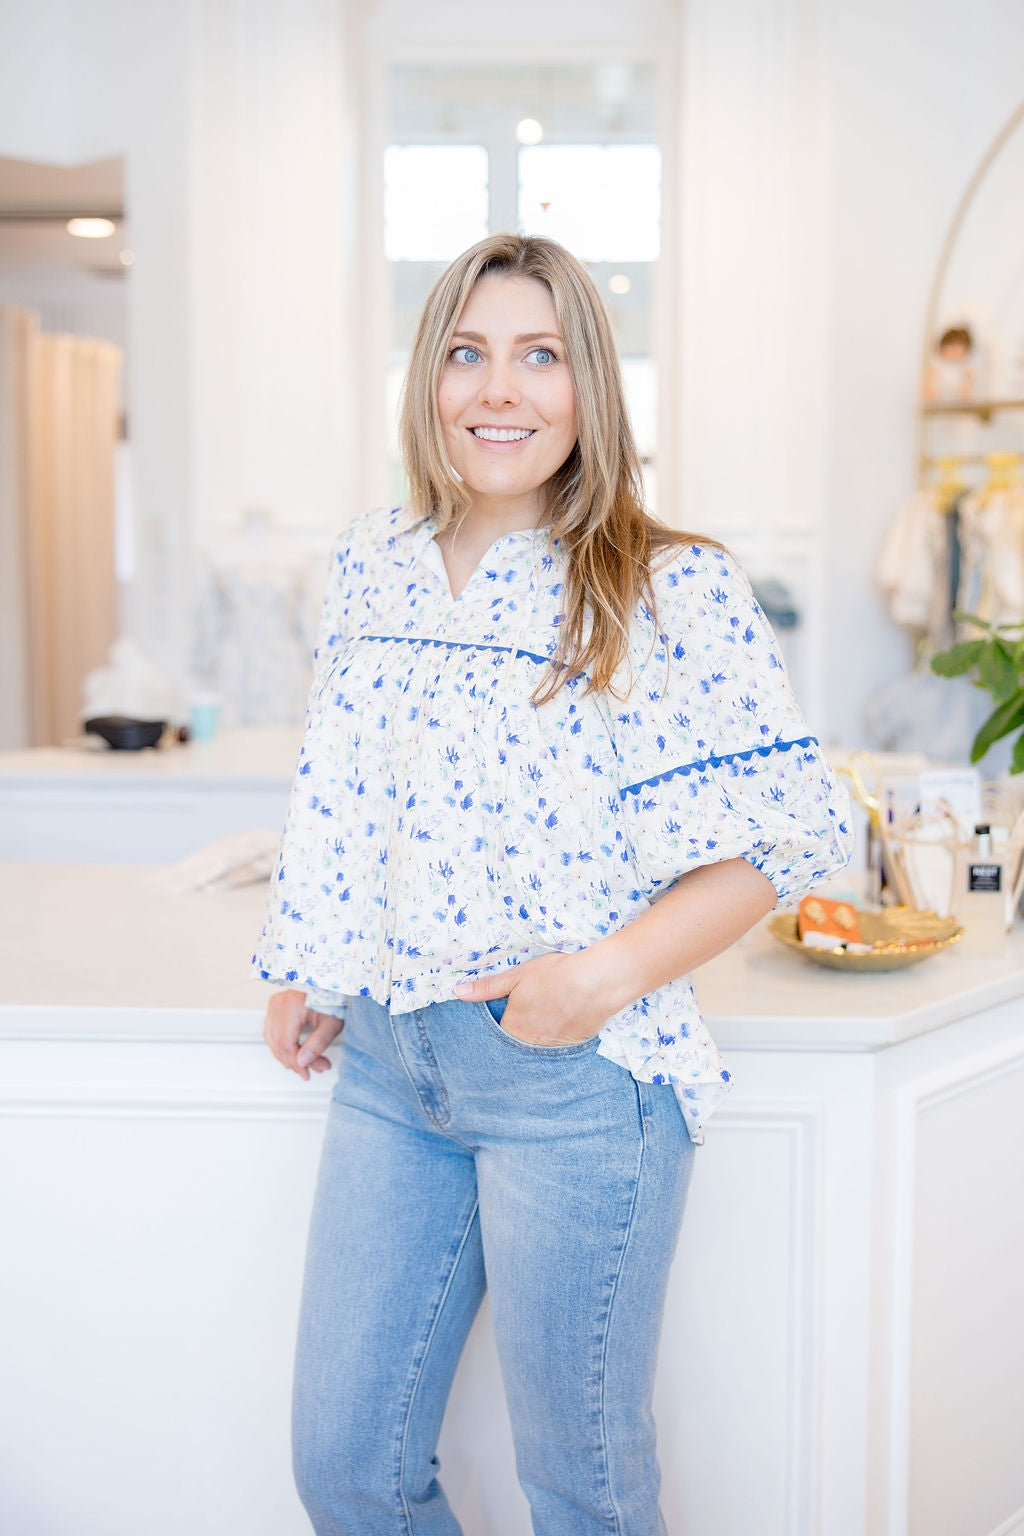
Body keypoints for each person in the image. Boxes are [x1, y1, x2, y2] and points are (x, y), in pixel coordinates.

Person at [256, 233, 852, 1535]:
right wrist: (316, 960)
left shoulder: (669, 583)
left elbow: (790, 838)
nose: (498, 390)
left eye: (540, 355)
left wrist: (597, 981)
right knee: (345, 1466)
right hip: (388, 1067)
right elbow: (348, 783)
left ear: (591, 384)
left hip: (577, 1086)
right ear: (427, 377)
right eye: (466, 353)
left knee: (581, 1491)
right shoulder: (369, 560)